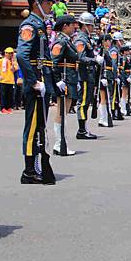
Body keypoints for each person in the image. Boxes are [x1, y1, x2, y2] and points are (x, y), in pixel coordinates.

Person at [16, 0, 56, 186]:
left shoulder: (40, 25)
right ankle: (29, 170)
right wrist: (32, 81)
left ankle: (36, 165)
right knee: (32, 127)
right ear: (37, 3)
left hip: (43, 80)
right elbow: (21, 55)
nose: (51, 6)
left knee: (40, 125)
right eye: (48, 2)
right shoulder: (30, 25)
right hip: (36, 83)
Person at [50, 14, 79, 156]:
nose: (75, 26)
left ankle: (61, 142)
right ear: (65, 26)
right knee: (61, 113)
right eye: (72, 24)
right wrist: (57, 80)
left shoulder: (67, 41)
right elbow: (54, 62)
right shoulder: (60, 42)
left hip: (70, 79)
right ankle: (59, 143)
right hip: (64, 80)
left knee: (64, 113)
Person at [74, 12, 102, 139]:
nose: (92, 28)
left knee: (86, 102)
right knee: (83, 103)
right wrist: (94, 59)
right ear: (84, 25)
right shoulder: (80, 39)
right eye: (90, 25)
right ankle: (81, 130)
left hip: (89, 74)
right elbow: (79, 57)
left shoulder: (86, 39)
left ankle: (84, 128)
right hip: (84, 74)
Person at [0, 47, 18, 114]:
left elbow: (14, 70)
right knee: (3, 95)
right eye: (8, 53)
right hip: (3, 81)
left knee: (10, 95)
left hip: (10, 81)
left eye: (11, 53)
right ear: (5, 53)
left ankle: (8, 107)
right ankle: (2, 108)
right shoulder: (1, 60)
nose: (9, 54)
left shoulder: (13, 62)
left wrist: (12, 63)